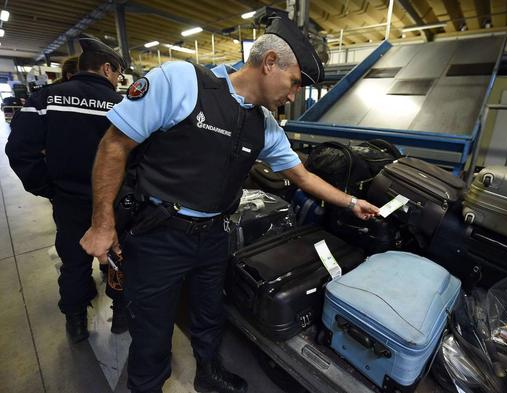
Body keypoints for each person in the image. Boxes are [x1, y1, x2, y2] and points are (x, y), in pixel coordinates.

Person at [80, 13, 380, 393]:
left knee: (209, 315)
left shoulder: (265, 125)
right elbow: (114, 145)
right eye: (294, 83)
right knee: (152, 329)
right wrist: (102, 223)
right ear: (270, 63)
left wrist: (351, 201)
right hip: (159, 236)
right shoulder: (182, 83)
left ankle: (209, 373)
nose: (293, 95)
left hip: (214, 236)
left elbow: (301, 176)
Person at [5, 34, 129, 343]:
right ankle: (121, 314)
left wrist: (48, 188)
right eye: (117, 72)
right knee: (118, 257)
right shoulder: (123, 106)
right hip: (114, 204)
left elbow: (19, 151)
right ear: (107, 69)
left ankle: (75, 322)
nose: (117, 79)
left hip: (69, 201)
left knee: (73, 262)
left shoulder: (45, 99)